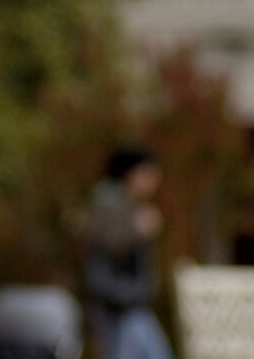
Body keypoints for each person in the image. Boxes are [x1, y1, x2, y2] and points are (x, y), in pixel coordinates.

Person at [82, 146, 173, 359]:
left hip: (131, 304)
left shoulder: (129, 204)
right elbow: (108, 242)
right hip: (117, 305)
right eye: (149, 172)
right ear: (131, 174)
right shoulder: (109, 201)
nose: (155, 180)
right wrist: (139, 230)